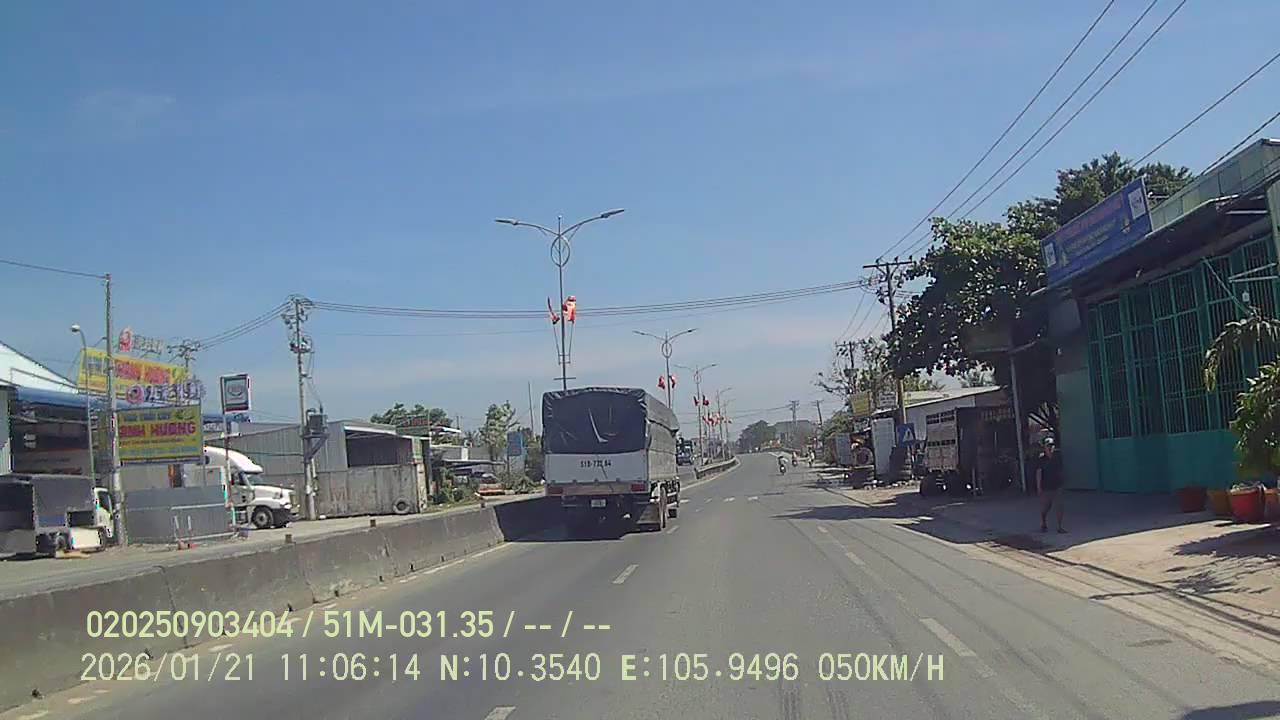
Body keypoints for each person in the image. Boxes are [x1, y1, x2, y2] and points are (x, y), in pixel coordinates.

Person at [1036, 437, 1065, 533]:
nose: (1050, 447)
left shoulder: (1057, 457)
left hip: (1057, 485)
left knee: (1059, 506)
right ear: (1044, 447)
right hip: (1046, 487)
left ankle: (1060, 527)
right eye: (1048, 446)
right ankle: (1043, 523)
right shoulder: (1041, 458)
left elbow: (1060, 470)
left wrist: (1062, 482)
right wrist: (1039, 487)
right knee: (1046, 507)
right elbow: (1039, 472)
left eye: (1052, 445)